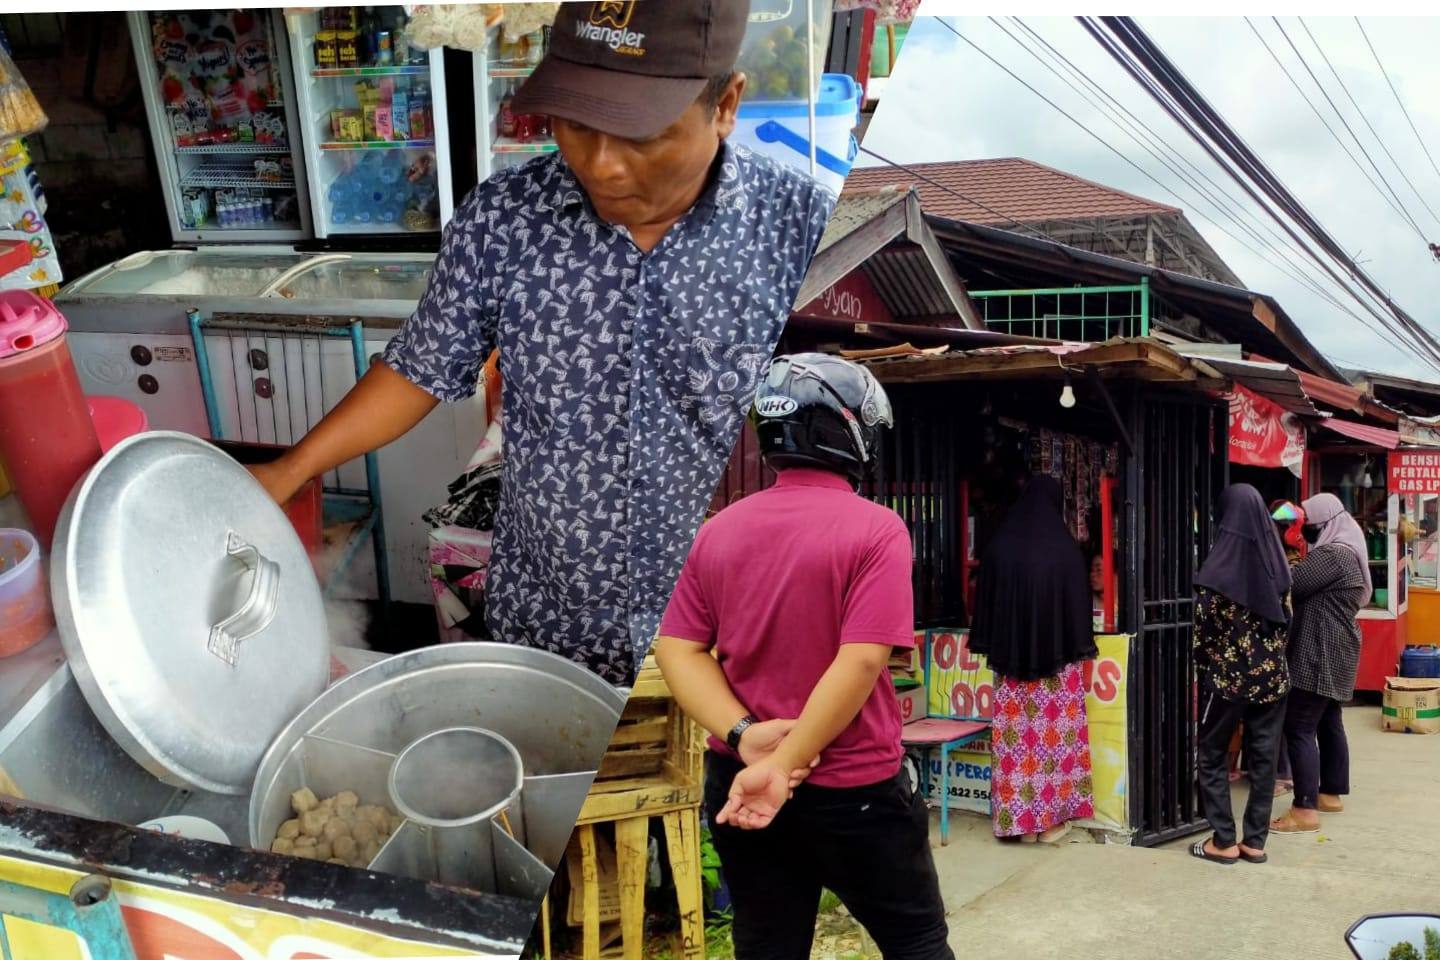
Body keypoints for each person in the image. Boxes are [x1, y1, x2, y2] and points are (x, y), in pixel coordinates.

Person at [247, 1, 836, 687]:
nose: (601, 165)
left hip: (730, 643)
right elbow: (421, 367)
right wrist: (288, 473)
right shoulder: (506, 216)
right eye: (576, 124)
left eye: (641, 135)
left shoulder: (800, 234)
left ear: (725, 104)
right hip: (544, 622)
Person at [655, 354, 954, 960]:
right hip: (853, 787)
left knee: (767, 947)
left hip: (740, 781)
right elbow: (861, 661)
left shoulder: (717, 530)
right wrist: (785, 762)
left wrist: (745, 739)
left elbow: (677, 647)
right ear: (847, 431)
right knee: (916, 944)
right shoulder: (877, 529)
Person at [969, 474, 1098, 844]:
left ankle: (1017, 823)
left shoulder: (998, 549)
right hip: (1057, 671)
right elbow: (1079, 618)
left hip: (1010, 668)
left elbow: (986, 613)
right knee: (1052, 742)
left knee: (1015, 742)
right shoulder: (1067, 552)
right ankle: (1049, 823)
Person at [1189, 484, 1292, 866]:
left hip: (1226, 681)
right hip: (1271, 680)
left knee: (1212, 752)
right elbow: (1287, 622)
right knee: (1263, 758)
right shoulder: (1278, 566)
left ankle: (1223, 840)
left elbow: (1202, 634)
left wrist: (1206, 665)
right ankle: (1255, 842)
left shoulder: (1218, 570)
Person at [1271, 493, 1371, 834]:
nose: (1307, 532)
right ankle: (1330, 793)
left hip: (1321, 651)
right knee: (1329, 719)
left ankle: (1305, 808)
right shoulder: (1347, 551)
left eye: (1310, 527)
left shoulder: (1334, 554)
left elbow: (1289, 586)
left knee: (1298, 726)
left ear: (1327, 525)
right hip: (1336, 648)